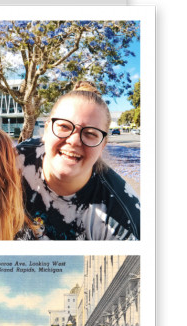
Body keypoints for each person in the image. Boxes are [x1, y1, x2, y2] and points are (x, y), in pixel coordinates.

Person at [17, 81, 140, 240]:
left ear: (103, 145)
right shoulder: (14, 160)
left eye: (90, 133)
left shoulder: (122, 218)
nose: (74, 141)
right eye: (64, 127)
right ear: (46, 130)